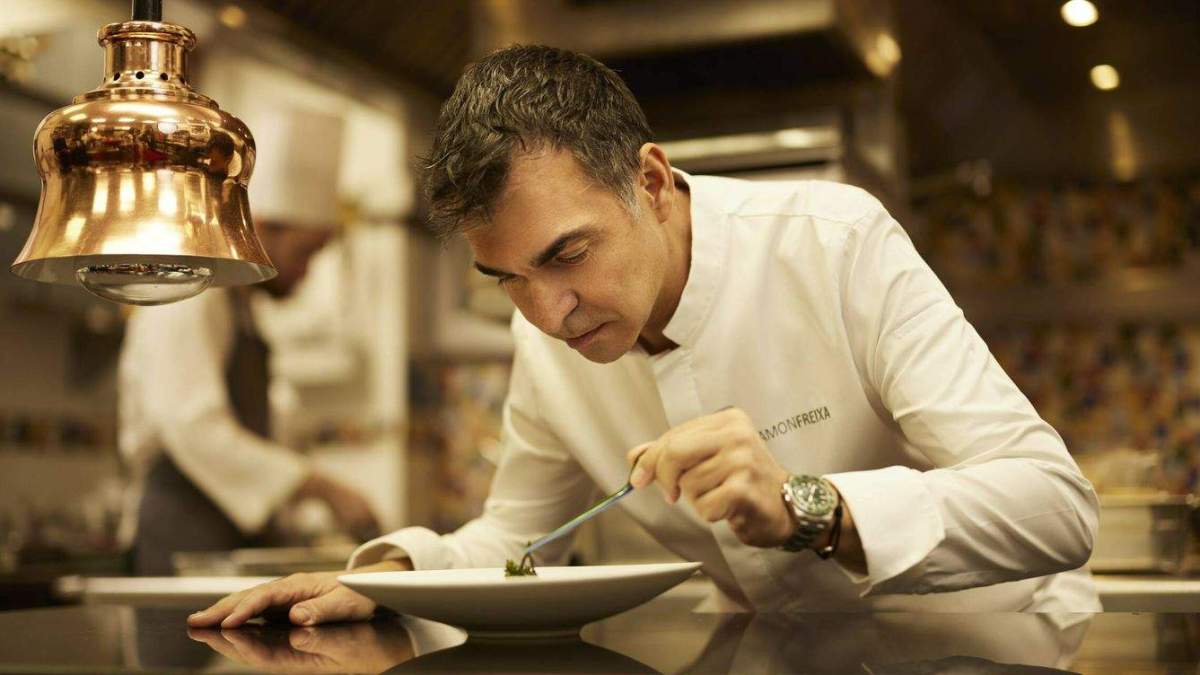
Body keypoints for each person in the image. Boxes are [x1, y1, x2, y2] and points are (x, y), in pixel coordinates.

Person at [190, 45, 1099, 626]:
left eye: (568, 254)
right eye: (507, 279)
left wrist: (809, 505)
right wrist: (391, 576)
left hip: (983, 642)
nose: (549, 314)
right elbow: (512, 538)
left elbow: (1055, 506)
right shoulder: (549, 338)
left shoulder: (835, 242)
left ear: (653, 183)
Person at [119, 109, 379, 576]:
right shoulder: (190, 290)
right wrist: (322, 488)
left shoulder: (240, 306)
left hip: (223, 543)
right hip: (180, 541)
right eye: (305, 253)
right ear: (260, 225)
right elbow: (192, 424)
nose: (306, 273)